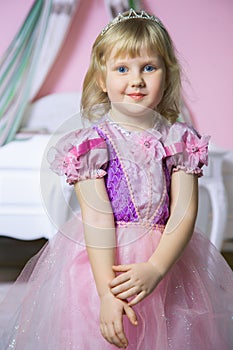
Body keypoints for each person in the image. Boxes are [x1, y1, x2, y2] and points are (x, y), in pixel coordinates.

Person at [0, 8, 233, 350]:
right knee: (102, 331)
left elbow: (184, 212)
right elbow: (96, 217)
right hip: (106, 261)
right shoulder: (89, 146)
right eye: (122, 69)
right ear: (101, 79)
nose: (136, 80)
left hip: (167, 258)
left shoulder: (179, 140)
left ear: (166, 75)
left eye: (148, 68)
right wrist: (106, 292)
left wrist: (155, 268)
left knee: (174, 329)